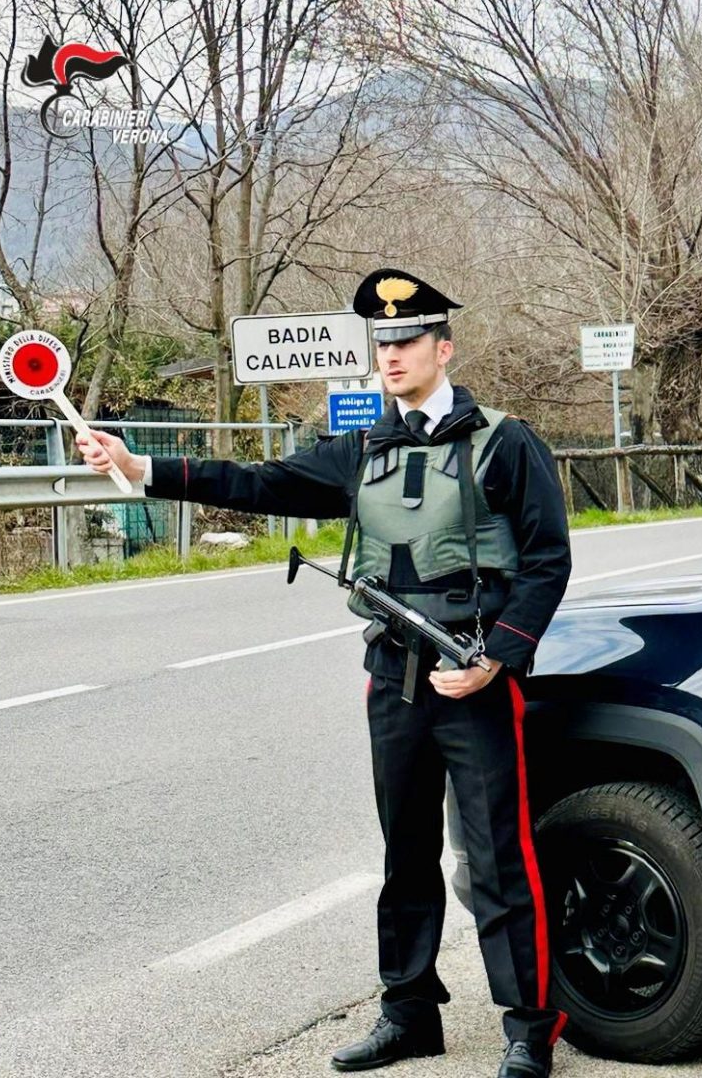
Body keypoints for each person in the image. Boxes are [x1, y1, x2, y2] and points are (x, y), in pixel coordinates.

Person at [77, 269, 572, 1078]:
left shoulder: (504, 442)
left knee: (498, 859)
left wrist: (498, 659)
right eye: (382, 344)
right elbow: (261, 483)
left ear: (443, 348)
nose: (392, 356)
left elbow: (548, 561)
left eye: (408, 341)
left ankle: (528, 1028)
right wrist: (145, 468)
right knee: (403, 854)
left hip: (474, 680)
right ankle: (407, 1014)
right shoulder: (362, 448)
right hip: (394, 673)